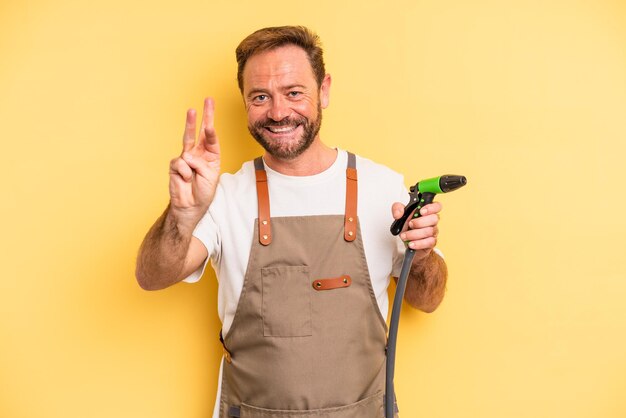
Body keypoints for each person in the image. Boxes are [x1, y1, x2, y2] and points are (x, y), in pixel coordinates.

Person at [136, 26, 447, 418]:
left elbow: (429, 300)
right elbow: (152, 276)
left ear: (325, 90)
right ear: (245, 102)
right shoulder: (225, 196)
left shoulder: (383, 188)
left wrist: (421, 254)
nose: (278, 112)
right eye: (260, 97)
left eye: (294, 92)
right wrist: (182, 215)